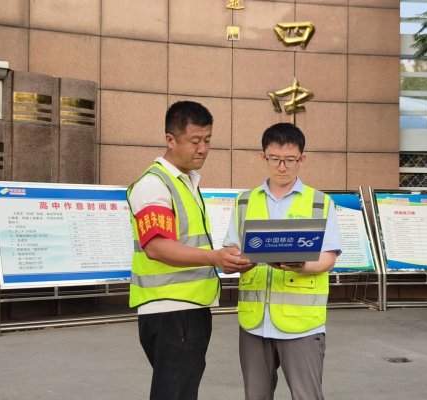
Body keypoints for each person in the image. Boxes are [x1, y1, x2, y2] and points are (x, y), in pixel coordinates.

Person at [127, 100, 251, 400]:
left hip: (187, 308)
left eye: (207, 140)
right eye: (195, 141)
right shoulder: (155, 185)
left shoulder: (184, 183)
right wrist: (215, 258)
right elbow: (157, 247)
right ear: (170, 139)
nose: (203, 149)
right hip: (172, 310)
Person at [223, 122, 342, 400]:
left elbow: (328, 257)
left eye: (290, 160)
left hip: (302, 325)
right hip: (254, 322)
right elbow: (231, 248)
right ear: (263, 156)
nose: (282, 167)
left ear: (302, 159)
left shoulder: (320, 202)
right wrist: (238, 260)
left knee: (306, 396)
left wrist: (302, 265)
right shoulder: (244, 201)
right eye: (274, 159)